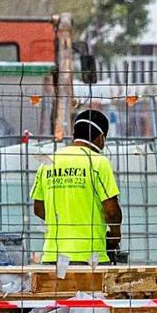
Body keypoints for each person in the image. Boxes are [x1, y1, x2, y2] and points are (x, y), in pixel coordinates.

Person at [31, 109, 123, 264]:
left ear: (74, 134)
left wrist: (64, 221)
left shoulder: (48, 162)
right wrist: (114, 237)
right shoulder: (98, 162)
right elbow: (112, 213)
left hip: (53, 256)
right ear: (101, 138)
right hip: (90, 258)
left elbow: (38, 209)